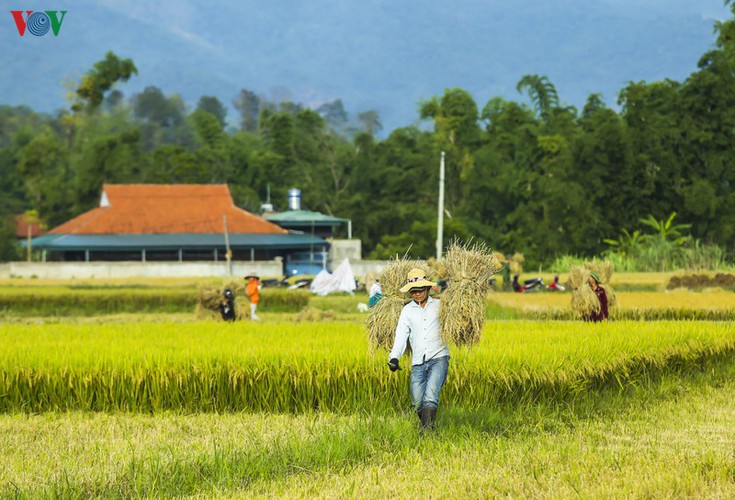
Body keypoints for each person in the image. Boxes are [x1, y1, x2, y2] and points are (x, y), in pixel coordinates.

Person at [387, 268, 449, 430]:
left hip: (439, 357)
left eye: (420, 290)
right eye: (414, 291)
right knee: (417, 401)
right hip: (418, 361)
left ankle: (426, 433)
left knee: (430, 397)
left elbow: (458, 320)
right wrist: (394, 358)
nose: (417, 294)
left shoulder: (440, 306)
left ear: (427, 289)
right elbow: (401, 335)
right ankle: (429, 428)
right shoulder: (407, 311)